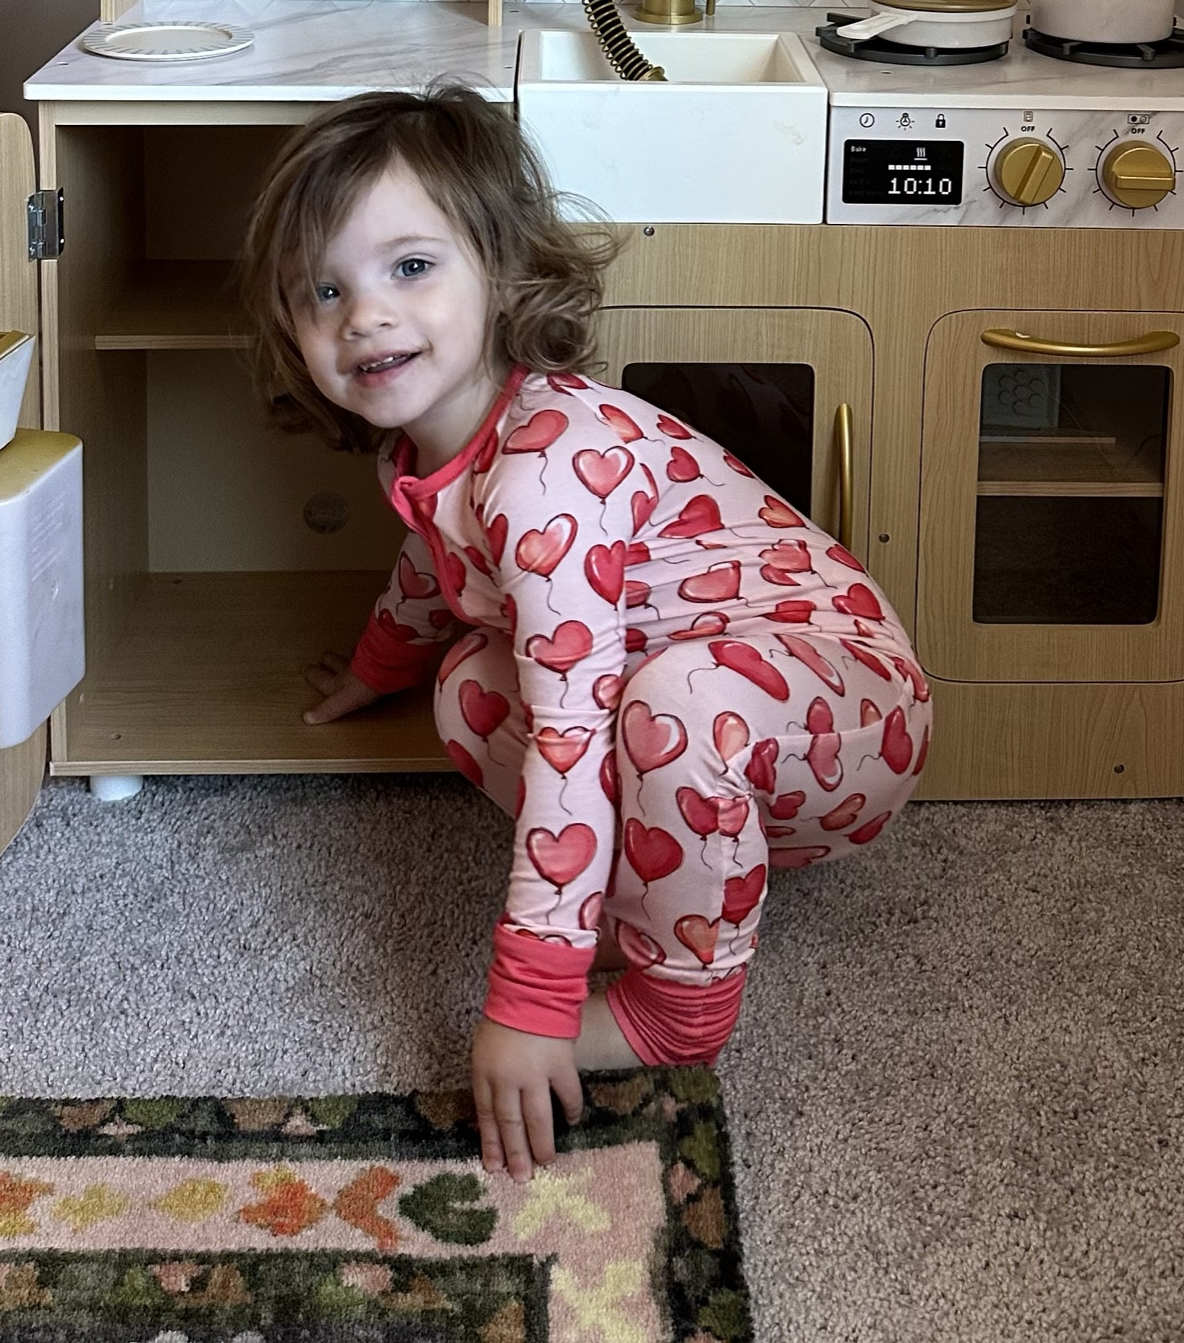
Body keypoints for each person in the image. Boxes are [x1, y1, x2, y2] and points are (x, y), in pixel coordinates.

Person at [238, 84, 933, 1183]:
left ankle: (678, 1007)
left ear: (501, 271)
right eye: (324, 289)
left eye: (410, 267)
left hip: (850, 711)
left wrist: (531, 1000)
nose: (363, 313)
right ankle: (666, 880)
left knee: (661, 706)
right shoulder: (421, 452)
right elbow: (432, 577)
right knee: (469, 682)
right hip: (708, 710)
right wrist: (373, 670)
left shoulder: (546, 463)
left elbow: (570, 734)